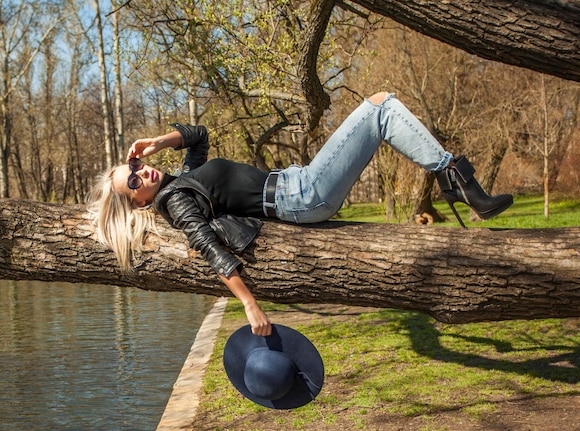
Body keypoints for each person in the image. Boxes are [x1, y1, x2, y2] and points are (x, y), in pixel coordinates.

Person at [89, 91, 513, 336]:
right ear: (139, 202)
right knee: (380, 106)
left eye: (133, 167)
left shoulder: (182, 179)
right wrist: (249, 305)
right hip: (300, 195)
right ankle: (455, 178)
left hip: (296, 183)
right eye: (133, 181)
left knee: (381, 106)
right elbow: (207, 245)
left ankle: (454, 179)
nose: (140, 172)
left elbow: (199, 135)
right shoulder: (175, 201)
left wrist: (157, 142)